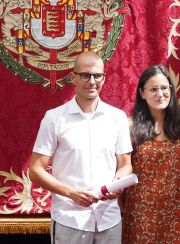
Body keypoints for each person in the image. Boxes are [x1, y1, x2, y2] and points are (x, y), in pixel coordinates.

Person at [29, 51, 133, 244]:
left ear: (104, 78)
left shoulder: (117, 117)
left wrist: (117, 183)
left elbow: (125, 164)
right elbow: (35, 170)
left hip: (109, 218)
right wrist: (70, 193)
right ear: (73, 77)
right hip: (70, 219)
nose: (92, 81)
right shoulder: (54, 118)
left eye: (97, 75)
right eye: (85, 75)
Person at [121, 65, 180, 244]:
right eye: (153, 89)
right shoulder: (129, 127)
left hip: (176, 212)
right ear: (142, 93)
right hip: (140, 213)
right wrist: (124, 206)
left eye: (164, 88)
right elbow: (123, 171)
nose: (160, 94)